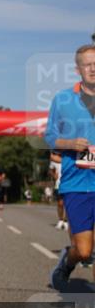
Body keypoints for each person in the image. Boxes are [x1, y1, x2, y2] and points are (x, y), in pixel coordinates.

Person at [49, 44, 95, 290]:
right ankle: (68, 262)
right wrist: (70, 143)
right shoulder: (63, 100)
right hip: (77, 183)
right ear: (78, 69)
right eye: (87, 64)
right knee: (85, 251)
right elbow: (49, 137)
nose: (93, 68)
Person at [51, 152, 68, 230]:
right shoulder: (54, 160)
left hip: (69, 183)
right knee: (60, 203)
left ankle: (66, 221)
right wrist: (54, 175)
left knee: (68, 204)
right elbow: (51, 170)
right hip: (59, 184)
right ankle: (60, 220)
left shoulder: (70, 157)